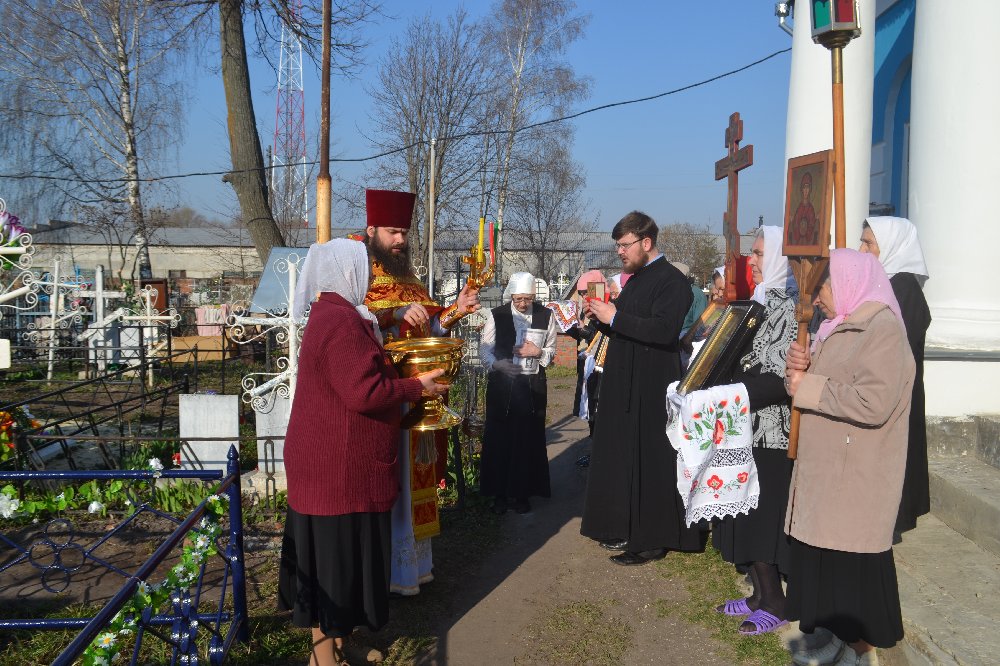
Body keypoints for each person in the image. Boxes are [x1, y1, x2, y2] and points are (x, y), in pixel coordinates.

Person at [279, 239, 449, 666]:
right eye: (366, 270)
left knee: (345, 563)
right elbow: (364, 392)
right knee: (333, 569)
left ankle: (341, 641)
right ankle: (323, 657)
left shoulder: (341, 314)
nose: (372, 278)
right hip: (335, 468)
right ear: (346, 272)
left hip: (337, 463)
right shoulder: (340, 322)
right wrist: (416, 387)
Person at [783, 249, 915, 665]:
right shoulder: (837, 325)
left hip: (855, 476)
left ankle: (861, 652)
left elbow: (874, 402)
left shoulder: (881, 329)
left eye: (822, 286)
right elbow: (821, 383)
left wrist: (807, 386)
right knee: (829, 573)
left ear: (848, 281)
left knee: (851, 578)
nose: (816, 297)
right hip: (829, 474)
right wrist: (801, 368)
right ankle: (839, 640)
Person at [360, 188, 481, 596]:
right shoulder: (358, 273)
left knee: (416, 480)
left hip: (421, 395)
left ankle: (413, 567)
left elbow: (431, 331)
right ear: (372, 230)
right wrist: (390, 315)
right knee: (389, 481)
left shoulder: (409, 279)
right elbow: (352, 321)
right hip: (386, 396)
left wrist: (456, 309)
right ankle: (386, 570)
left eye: (404, 233)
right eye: (392, 232)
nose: (400, 240)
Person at [580, 211, 699, 565]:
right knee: (623, 455)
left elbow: (663, 331)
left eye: (624, 244)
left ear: (646, 242)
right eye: (617, 245)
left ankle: (652, 539)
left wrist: (614, 317)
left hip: (651, 384)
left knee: (650, 460)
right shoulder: (637, 279)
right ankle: (622, 526)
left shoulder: (671, 281)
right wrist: (601, 319)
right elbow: (628, 326)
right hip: (625, 381)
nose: (619, 251)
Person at [711, 226, 798, 635]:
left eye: (761, 254)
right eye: (754, 253)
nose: (754, 261)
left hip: (771, 428)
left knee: (763, 515)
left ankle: (776, 601)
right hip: (744, 423)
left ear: (781, 256)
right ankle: (759, 595)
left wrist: (730, 393)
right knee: (745, 509)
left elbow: (779, 377)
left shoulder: (791, 308)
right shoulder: (759, 301)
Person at [860, 216, 931, 539]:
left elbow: (897, 343)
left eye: (869, 244)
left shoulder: (904, 288)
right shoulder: (882, 283)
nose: (862, 250)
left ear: (892, 247)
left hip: (896, 390)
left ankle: (893, 519)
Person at [479, 272, 558, 514]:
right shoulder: (497, 315)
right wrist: (497, 365)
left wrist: (538, 352)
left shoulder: (546, 315)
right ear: (511, 295)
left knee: (527, 439)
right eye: (518, 299)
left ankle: (523, 493)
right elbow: (485, 350)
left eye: (527, 299)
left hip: (532, 387)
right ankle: (499, 494)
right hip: (502, 387)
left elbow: (551, 349)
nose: (523, 304)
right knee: (500, 440)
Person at [788, 171, 818, 246]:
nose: (806, 190)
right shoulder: (799, 209)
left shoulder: (811, 209)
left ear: (810, 189)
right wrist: (792, 221)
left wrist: (816, 220)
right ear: (802, 189)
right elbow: (795, 225)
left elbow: (812, 226)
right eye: (804, 187)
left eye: (808, 187)